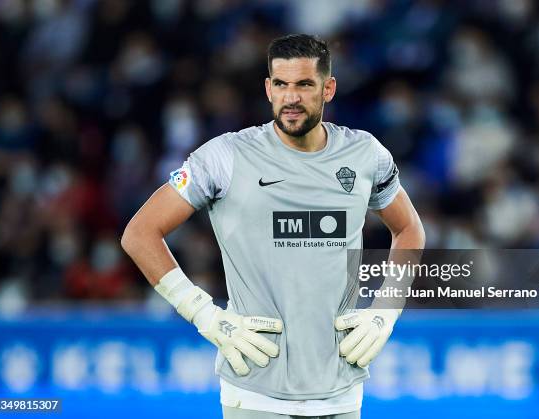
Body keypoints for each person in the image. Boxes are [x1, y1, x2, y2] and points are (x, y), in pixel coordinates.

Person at [121, 34, 425, 419]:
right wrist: (203, 313)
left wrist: (386, 310)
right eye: (281, 84)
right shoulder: (224, 157)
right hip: (255, 393)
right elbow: (139, 233)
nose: (291, 97)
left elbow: (410, 230)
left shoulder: (365, 154)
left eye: (304, 85)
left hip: (342, 392)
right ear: (268, 88)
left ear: (328, 88)